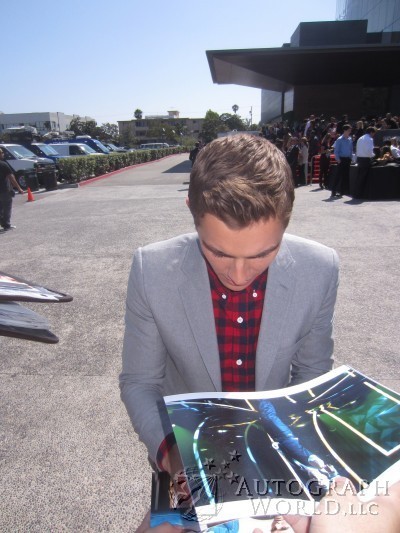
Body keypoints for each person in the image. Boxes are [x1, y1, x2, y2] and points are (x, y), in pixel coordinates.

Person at [120, 134, 339, 481]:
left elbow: (312, 371)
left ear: (288, 219)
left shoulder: (319, 269)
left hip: (276, 447)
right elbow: (140, 381)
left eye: (262, 254)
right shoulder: (152, 270)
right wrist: (173, 454)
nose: (238, 276)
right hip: (185, 444)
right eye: (218, 252)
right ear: (191, 209)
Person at [0, 147, 24, 231]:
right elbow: (11, 177)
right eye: (2, 152)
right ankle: (6, 225)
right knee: (7, 207)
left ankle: (3, 222)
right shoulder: (3, 164)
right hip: (4, 189)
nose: (3, 154)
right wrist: (19, 188)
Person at [354, 126, 376, 199]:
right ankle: (361, 194)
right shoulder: (369, 139)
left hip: (359, 159)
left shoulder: (360, 138)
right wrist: (374, 155)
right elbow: (369, 151)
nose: (374, 135)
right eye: (374, 133)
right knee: (363, 178)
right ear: (371, 132)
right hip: (366, 160)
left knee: (359, 177)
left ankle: (356, 193)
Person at [331, 124, 353, 199]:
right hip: (341, 159)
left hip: (348, 159)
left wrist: (351, 157)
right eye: (348, 130)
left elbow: (351, 149)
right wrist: (338, 160)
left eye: (350, 130)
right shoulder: (339, 139)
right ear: (344, 130)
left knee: (345, 176)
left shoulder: (350, 139)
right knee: (338, 175)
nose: (350, 132)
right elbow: (336, 151)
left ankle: (342, 191)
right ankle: (333, 191)